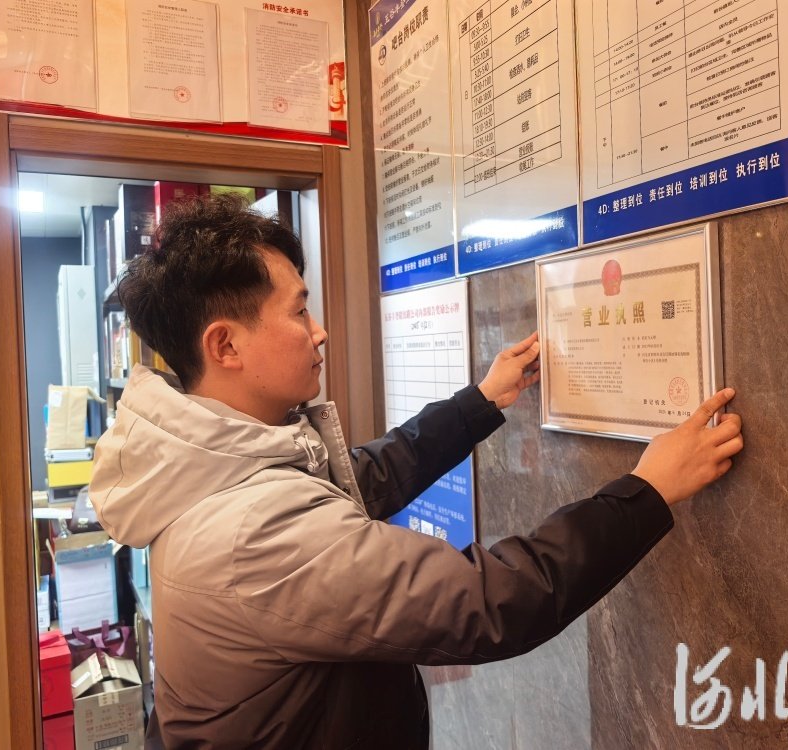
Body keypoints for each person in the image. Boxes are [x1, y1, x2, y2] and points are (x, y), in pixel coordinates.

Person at [90, 193, 743, 749]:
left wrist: (479, 402)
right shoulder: (253, 532)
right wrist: (647, 491)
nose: (319, 331)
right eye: (297, 311)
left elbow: (362, 480)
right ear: (225, 344)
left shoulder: (215, 464)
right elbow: (492, 601)